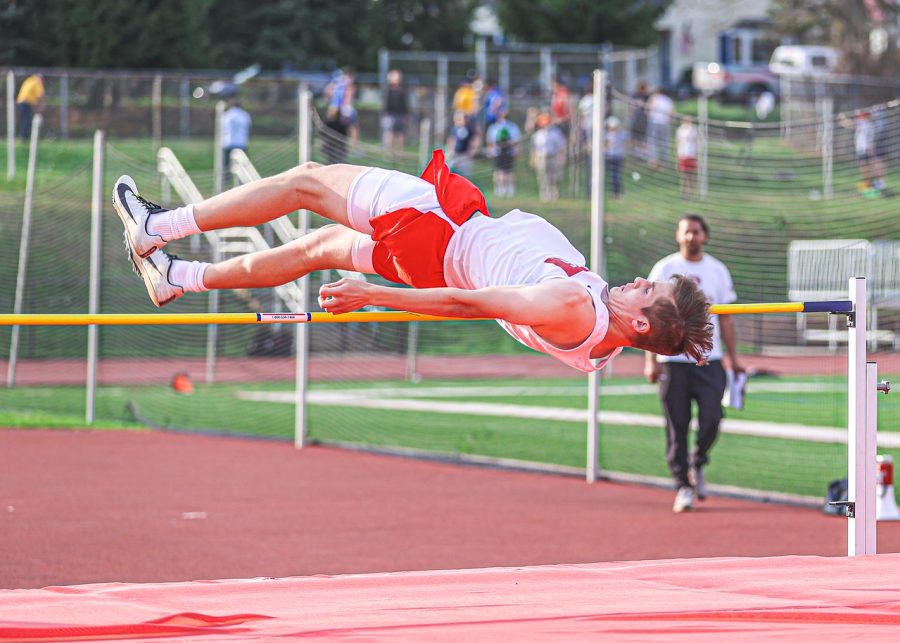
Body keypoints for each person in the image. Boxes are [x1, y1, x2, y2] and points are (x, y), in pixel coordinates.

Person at [111, 151, 713, 374]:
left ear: (637, 324)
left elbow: (465, 305)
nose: (637, 280)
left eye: (645, 292)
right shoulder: (599, 346)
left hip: (440, 233)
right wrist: (681, 330)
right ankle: (176, 278)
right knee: (310, 250)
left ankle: (158, 228)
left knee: (305, 181)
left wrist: (372, 294)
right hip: (440, 256)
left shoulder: (571, 307)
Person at [644, 214, 743, 513]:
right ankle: (682, 486)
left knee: (713, 417)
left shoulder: (717, 270)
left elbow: (726, 317)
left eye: (696, 232)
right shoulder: (665, 268)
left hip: (708, 359)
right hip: (673, 360)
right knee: (677, 424)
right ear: (678, 235)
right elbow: (649, 315)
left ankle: (697, 462)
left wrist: (733, 358)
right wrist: (651, 360)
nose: (691, 237)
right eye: (686, 232)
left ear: (705, 236)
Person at [531, 113, 567, 202]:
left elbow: (561, 146)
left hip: (553, 156)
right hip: (542, 157)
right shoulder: (537, 135)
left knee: (554, 177)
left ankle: (554, 194)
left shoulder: (555, 133)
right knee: (543, 177)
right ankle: (545, 194)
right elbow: (534, 148)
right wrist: (533, 159)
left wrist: (561, 157)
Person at [485, 110, 521, 198]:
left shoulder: (512, 127)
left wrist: (516, 150)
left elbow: (516, 140)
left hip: (509, 152)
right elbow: (490, 141)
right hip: (498, 152)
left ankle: (509, 190)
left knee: (509, 172)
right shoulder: (493, 127)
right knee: (498, 172)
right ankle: (499, 189)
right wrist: (491, 150)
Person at [220, 99, 252, 186]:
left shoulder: (227, 115)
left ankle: (225, 180)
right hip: (241, 143)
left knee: (226, 165)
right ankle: (242, 180)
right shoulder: (245, 115)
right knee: (242, 164)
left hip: (228, 142)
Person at [381, 69, 409, 158]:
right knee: (389, 134)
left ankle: (399, 152)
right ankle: (388, 152)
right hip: (390, 115)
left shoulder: (402, 91)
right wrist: (386, 114)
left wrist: (406, 115)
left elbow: (405, 104)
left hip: (400, 115)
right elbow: (386, 104)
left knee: (400, 135)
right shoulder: (388, 91)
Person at [446, 110, 480, 178]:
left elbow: (475, 139)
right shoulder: (454, 129)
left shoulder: (469, 128)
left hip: (465, 156)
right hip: (455, 155)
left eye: (464, 118)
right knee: (451, 173)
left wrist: (472, 150)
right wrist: (449, 151)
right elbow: (451, 140)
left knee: (465, 176)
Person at [646, 88, 674, 168]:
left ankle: (653, 161)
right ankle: (663, 162)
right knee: (664, 142)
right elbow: (671, 112)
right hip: (665, 123)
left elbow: (648, 109)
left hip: (654, 122)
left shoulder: (653, 97)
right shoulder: (668, 100)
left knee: (652, 141)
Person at [16, 74, 45, 141]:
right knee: (26, 120)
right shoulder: (36, 82)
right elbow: (41, 94)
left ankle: (22, 136)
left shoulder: (29, 80)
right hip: (26, 103)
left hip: (21, 102)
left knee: (23, 120)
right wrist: (41, 106)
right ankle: (24, 138)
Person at [675, 117, 698, 198]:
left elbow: (696, 140)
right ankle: (683, 191)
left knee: (691, 174)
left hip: (691, 154)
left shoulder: (694, 129)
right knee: (683, 175)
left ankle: (691, 192)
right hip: (683, 154)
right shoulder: (680, 130)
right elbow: (678, 142)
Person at [604, 116, 627, 199]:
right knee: (612, 176)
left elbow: (624, 144)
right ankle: (614, 192)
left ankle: (618, 193)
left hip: (617, 157)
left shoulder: (620, 135)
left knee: (616, 176)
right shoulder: (607, 135)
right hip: (610, 157)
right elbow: (605, 146)